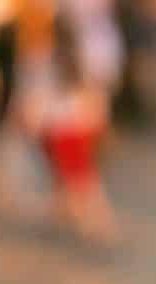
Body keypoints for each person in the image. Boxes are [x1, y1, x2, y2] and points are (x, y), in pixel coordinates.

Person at [38, 75, 117, 246]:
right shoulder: (75, 97)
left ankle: (89, 222)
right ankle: (89, 223)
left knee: (77, 185)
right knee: (78, 185)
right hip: (70, 141)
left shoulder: (62, 98)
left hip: (68, 142)